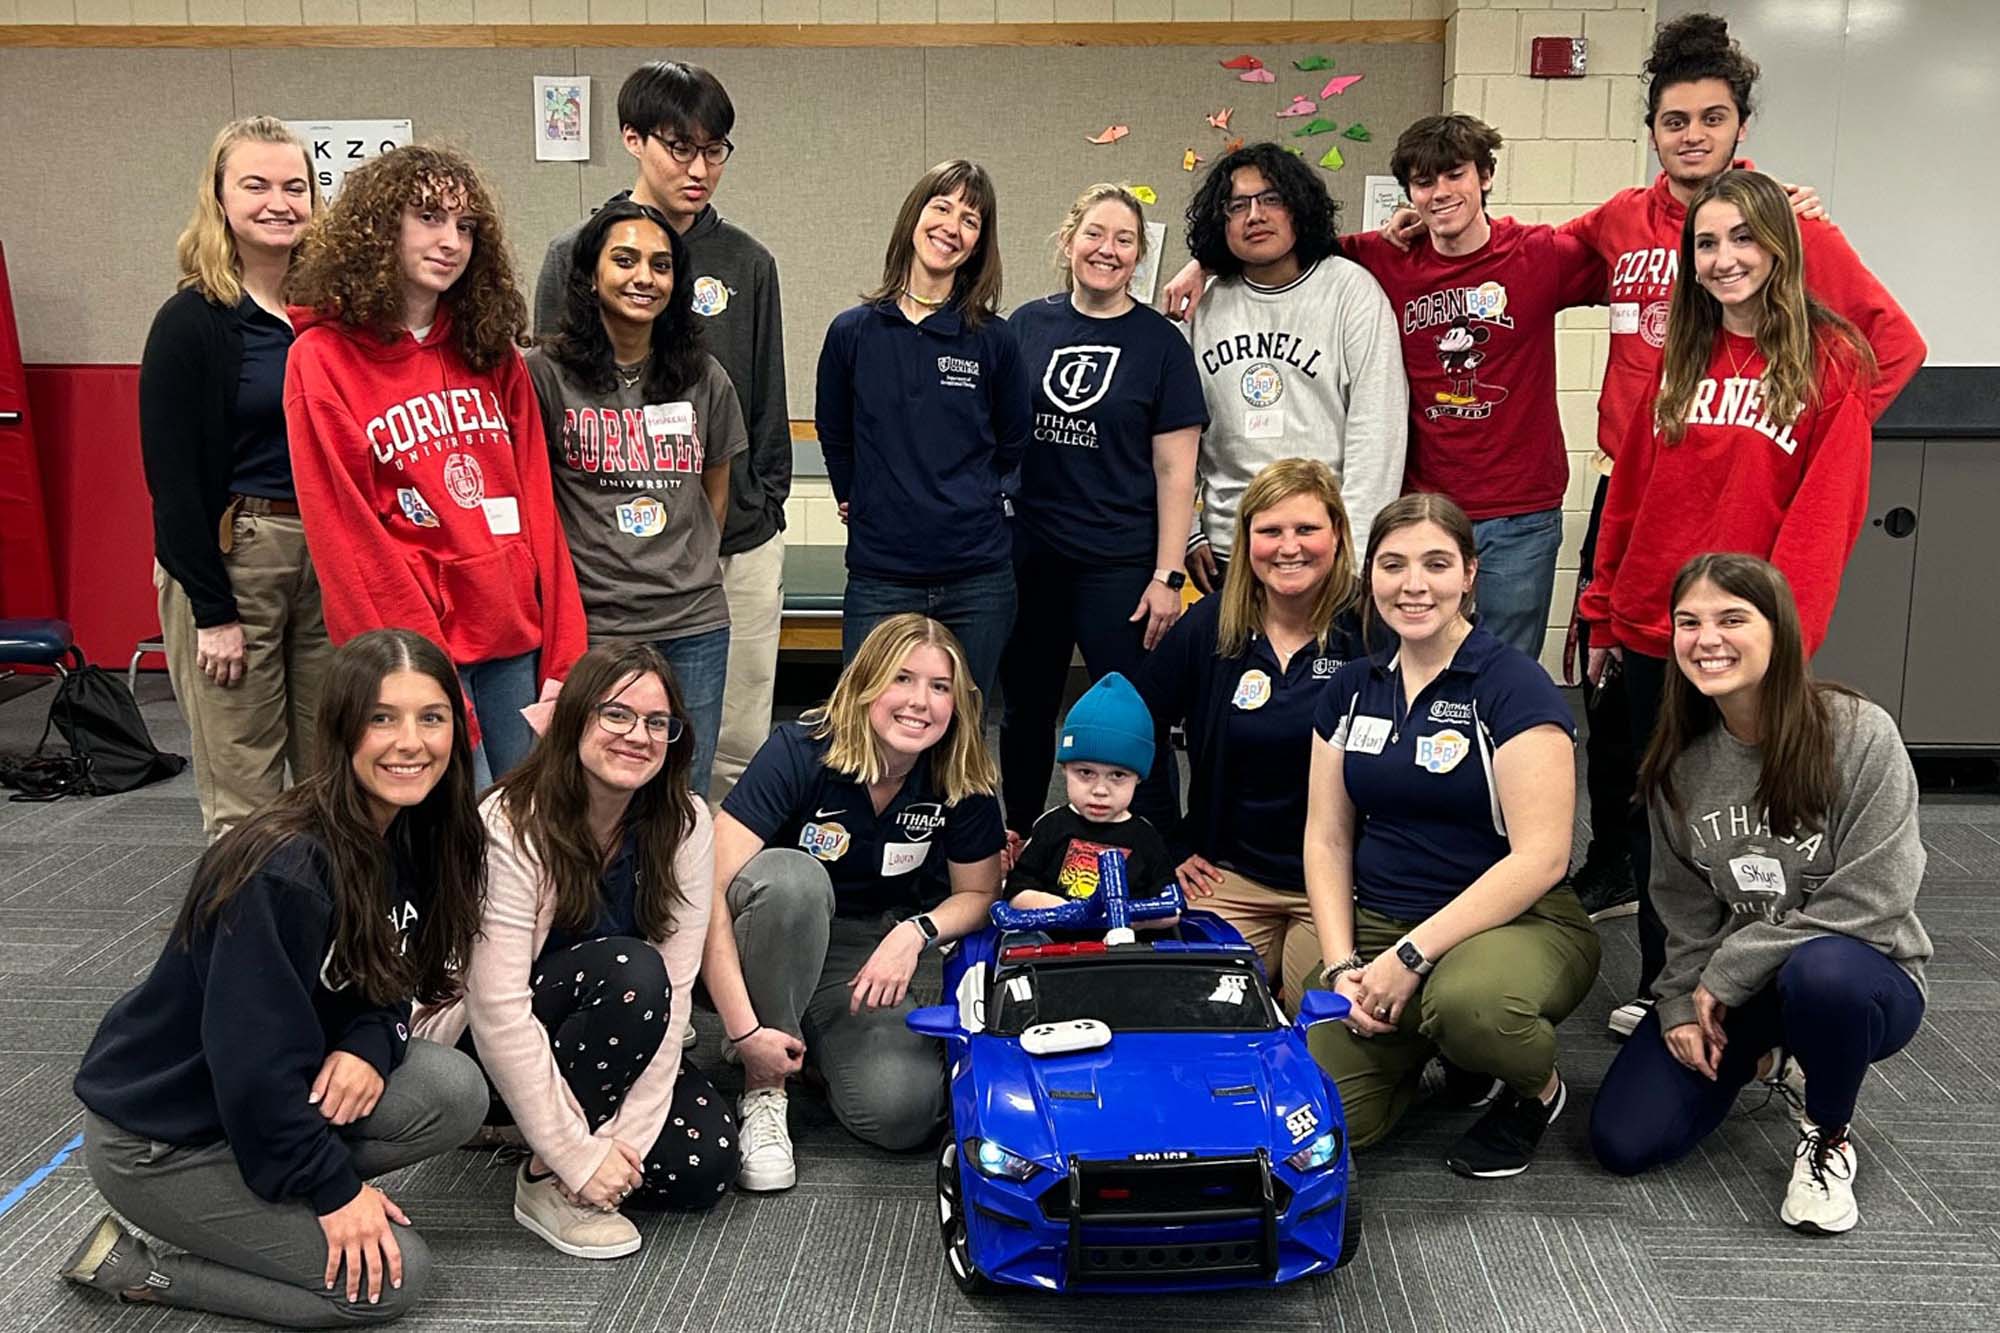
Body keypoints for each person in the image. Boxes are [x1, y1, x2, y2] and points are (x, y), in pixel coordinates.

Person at [1556, 12, 1924, 932]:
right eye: (1674, 119)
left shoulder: (1793, 229)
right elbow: (1528, 259)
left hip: (1749, 547)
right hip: (1647, 520)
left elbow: (1894, 347)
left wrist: (1802, 425)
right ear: (1653, 131)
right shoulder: (1626, 231)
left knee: (1735, 777)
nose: (1692, 134)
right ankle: (1633, 906)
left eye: (1710, 118)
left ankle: (1739, 954)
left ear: (1738, 127)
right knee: (1638, 756)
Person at [62, 629, 490, 1328]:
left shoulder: (419, 832)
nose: (410, 741)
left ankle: (266, 1198)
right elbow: (252, 1068)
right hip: (162, 1141)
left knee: (454, 1088)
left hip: (257, 1108)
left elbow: (392, 984)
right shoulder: (283, 867)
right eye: (382, 717)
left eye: (431, 716)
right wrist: (334, 1190)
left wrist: (370, 1040)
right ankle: (142, 1270)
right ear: (342, 727)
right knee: (392, 1281)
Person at [1580, 168, 1890, 1039]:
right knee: (1662, 812)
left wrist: (1780, 640)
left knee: (1745, 820)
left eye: (1745, 238)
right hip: (1654, 623)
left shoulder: (1832, 363)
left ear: (1781, 248)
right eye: (1707, 243)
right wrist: (1604, 612)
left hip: (1745, 640)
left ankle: (1747, 985)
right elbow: (1632, 498)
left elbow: (1822, 524)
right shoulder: (1680, 359)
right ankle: (1661, 980)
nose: (1724, 259)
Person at [1589, 554, 1929, 1237]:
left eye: (1731, 618)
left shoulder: (1858, 733)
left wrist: (1730, 966)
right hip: (1737, 989)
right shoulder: (1677, 762)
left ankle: (1828, 1133)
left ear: (1780, 631)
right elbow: (1680, 908)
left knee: (1823, 973)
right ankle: (1777, 1056)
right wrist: (1683, 1000)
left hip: (1866, 974)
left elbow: (1876, 895)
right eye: (1689, 621)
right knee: (1624, 1139)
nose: (1706, 637)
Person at [1303, 493, 1599, 1178]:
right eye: (1393, 564)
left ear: (1470, 573)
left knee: (1472, 1004)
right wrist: (1345, 964)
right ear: (1368, 574)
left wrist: (1410, 956)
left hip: (1515, 923)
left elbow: (1543, 856)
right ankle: (1439, 1056)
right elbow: (1326, 838)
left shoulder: (1512, 685)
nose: (1413, 585)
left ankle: (1533, 1092)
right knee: (1327, 1117)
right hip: (1382, 921)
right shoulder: (1352, 686)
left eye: (1436, 564)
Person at [414, 643, 736, 1261]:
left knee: (703, 1165)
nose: (637, 735)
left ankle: (533, 1137)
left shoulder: (686, 823)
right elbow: (498, 1009)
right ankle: (544, 1179)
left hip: (609, 1039)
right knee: (628, 969)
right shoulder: (510, 821)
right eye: (615, 715)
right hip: (478, 1048)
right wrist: (576, 1159)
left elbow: (675, 1003)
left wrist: (626, 1139)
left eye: (656, 722)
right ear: (575, 719)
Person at [285, 144, 587, 787]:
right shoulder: (321, 359)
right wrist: (419, 678)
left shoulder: (491, 352)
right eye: (428, 217)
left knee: (528, 831)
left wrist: (566, 650)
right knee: (448, 839)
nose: (451, 240)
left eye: (466, 225)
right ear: (378, 229)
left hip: (514, 643)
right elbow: (349, 541)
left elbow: (538, 507)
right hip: (417, 653)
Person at [532, 62, 790, 805]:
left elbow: (764, 398)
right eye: (680, 147)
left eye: (716, 151)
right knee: (593, 753)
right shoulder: (575, 250)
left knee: (726, 746)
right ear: (633, 140)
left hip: (729, 545)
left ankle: (708, 894)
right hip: (606, 569)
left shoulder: (748, 259)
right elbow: (556, 400)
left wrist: (761, 507)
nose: (699, 167)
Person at [703, 615, 1006, 1190]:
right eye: (903, 680)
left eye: (939, 687)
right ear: (867, 683)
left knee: (903, 1112)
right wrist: (744, 1033)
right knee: (794, 878)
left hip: (864, 947)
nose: (920, 703)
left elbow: (979, 894)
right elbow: (706, 890)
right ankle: (764, 1087)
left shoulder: (958, 770)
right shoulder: (801, 749)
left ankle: (805, 1041)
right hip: (768, 928)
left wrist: (914, 932)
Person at [1339, 115, 1605, 659]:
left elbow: (1647, 255)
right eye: (1424, 182)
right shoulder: (1388, 257)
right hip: (1423, 508)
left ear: (1484, 175)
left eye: (1454, 175)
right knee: (1407, 663)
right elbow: (1283, 247)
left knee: (1504, 669)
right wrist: (1201, 265)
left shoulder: (1537, 254)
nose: (1440, 194)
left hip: (1519, 512)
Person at [140, 116, 330, 839]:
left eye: (294, 186)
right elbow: (174, 480)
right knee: (245, 785)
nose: (278, 201)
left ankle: (330, 938)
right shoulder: (191, 321)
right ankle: (246, 945)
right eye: (255, 185)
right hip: (236, 554)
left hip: (326, 554)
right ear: (220, 198)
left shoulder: (330, 317)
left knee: (333, 769)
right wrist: (212, 610)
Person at [999, 183, 1205, 841]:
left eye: (1123, 239)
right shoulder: (1026, 326)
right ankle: (1021, 839)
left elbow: (1177, 471)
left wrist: (1169, 576)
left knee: (1135, 713)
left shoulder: (1161, 345)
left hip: (1119, 564)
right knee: (1025, 711)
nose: (1106, 250)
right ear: (1069, 241)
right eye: (1094, 234)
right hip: (1030, 555)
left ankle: (1159, 851)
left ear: (1139, 256)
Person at [528, 199, 747, 794]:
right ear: (590, 275)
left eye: (660, 265)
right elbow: (532, 495)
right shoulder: (543, 375)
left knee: (681, 790)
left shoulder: (704, 376)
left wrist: (683, 563)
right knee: (585, 788)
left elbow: (714, 496)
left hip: (692, 622)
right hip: (592, 623)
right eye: (624, 260)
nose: (644, 278)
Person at [1137, 459, 1370, 1002]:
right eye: (1270, 531)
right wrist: (1170, 843)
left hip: (1337, 882)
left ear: (1337, 534)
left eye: (1307, 529)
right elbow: (1135, 722)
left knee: (1321, 1022)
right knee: (1203, 1012)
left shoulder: (1371, 627)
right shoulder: (1213, 625)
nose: (1289, 547)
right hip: (1230, 876)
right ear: (1246, 541)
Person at [815, 161, 1032, 703]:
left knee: (960, 738)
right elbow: (835, 432)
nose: (952, 227)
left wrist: (976, 497)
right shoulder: (853, 333)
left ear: (979, 244)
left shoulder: (993, 341)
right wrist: (856, 495)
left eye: (971, 220)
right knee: (865, 729)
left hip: (977, 578)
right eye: (942, 207)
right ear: (914, 217)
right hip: (881, 576)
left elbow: (1013, 441)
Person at [1177, 144, 1407, 592]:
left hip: (1325, 549)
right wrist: (1187, 531)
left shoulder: (1350, 292)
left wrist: (1356, 556)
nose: (1255, 215)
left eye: (1271, 199)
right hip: (1230, 547)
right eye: (1237, 205)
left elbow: (1377, 432)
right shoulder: (1201, 305)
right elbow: (1175, 435)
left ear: (1298, 208)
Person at [1005, 672, 1175, 913]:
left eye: (1117, 775)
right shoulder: (1051, 826)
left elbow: (1171, 907)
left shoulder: (1146, 837)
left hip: (1125, 947)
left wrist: (1119, 915)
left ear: (1138, 778)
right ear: (1065, 769)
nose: (1100, 790)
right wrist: (1070, 912)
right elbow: (1015, 891)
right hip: (1051, 943)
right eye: (1085, 772)